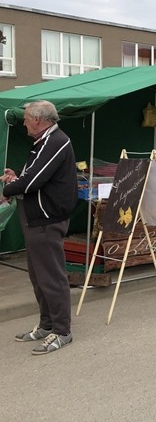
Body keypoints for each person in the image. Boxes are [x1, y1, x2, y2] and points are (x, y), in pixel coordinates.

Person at [1, 100, 77, 355]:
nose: (23, 122)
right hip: (35, 218)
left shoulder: (56, 141)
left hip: (47, 220)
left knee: (51, 276)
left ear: (38, 119)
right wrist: (15, 179)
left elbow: (33, 180)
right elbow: (31, 176)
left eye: (25, 118)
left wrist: (6, 190)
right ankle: (47, 325)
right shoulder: (44, 142)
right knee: (37, 276)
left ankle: (62, 331)